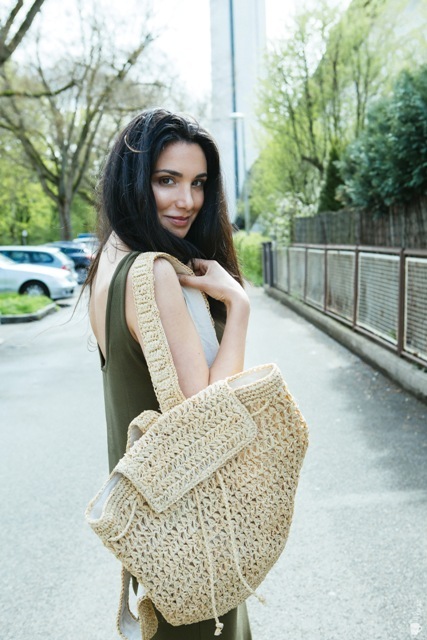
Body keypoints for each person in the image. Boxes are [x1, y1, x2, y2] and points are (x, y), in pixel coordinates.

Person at [85, 107, 252, 639]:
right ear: (133, 181)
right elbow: (209, 418)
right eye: (167, 180)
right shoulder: (153, 273)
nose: (187, 201)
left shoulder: (108, 263)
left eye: (198, 183)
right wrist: (238, 306)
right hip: (190, 529)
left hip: (155, 529)